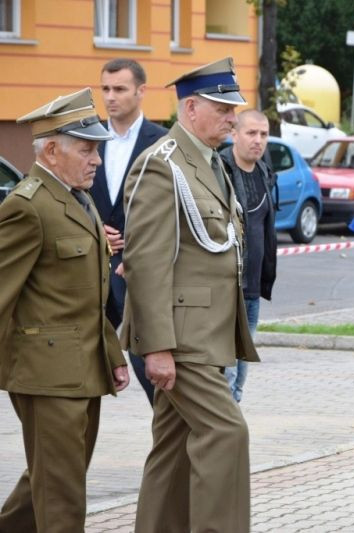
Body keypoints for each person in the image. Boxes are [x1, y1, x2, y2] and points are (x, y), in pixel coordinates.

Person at [122, 57, 259, 532]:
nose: (232, 117)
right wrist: (157, 346)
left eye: (233, 108)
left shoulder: (209, 163)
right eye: (222, 108)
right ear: (192, 107)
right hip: (181, 336)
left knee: (173, 447)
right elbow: (145, 261)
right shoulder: (161, 165)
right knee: (226, 431)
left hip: (207, 332)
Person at [0, 88, 129, 532]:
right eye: (86, 148)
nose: (96, 159)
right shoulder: (27, 206)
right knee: (63, 497)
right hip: (46, 374)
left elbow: (90, 295)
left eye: (97, 149)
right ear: (51, 150)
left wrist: (112, 355)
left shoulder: (79, 198)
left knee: (47, 483)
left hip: (82, 369)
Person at [90, 58, 167, 406]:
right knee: (87, 361)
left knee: (148, 360)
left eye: (119, 89)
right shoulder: (88, 139)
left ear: (140, 91)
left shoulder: (162, 143)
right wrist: (95, 230)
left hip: (139, 268)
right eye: (105, 89)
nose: (110, 97)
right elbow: (74, 195)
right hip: (93, 267)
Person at [220, 109, 277, 402]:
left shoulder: (265, 171)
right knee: (226, 374)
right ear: (234, 134)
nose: (258, 140)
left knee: (240, 376)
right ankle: (223, 442)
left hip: (252, 288)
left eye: (263, 134)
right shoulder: (220, 170)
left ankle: (229, 439)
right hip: (226, 288)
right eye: (251, 133)